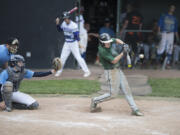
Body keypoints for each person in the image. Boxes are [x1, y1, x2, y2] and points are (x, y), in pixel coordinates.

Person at [90, 33, 143, 116]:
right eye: (106, 42)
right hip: (111, 72)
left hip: (118, 70)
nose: (108, 43)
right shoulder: (102, 51)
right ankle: (95, 100)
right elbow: (114, 61)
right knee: (113, 94)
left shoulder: (108, 42)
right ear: (102, 43)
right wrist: (123, 53)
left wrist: (124, 44)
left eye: (109, 42)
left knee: (127, 89)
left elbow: (116, 40)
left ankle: (134, 109)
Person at [55, 11, 91, 77]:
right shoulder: (63, 23)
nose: (65, 20)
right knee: (62, 58)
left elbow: (76, 36)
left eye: (66, 18)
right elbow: (60, 30)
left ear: (69, 18)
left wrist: (79, 43)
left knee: (78, 57)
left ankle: (87, 71)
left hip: (73, 43)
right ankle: (59, 71)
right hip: (67, 43)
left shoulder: (74, 25)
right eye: (64, 18)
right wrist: (57, 24)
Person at [157, 4, 179, 68]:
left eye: (173, 8)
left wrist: (177, 37)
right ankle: (157, 61)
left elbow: (175, 29)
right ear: (169, 8)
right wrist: (158, 32)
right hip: (164, 32)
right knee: (161, 46)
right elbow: (159, 25)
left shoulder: (175, 18)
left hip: (171, 33)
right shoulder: (163, 16)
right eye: (171, 7)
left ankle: (167, 63)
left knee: (170, 48)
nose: (172, 9)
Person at [0, 37, 19, 110]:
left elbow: (5, 61)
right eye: (13, 45)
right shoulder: (2, 52)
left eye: (16, 46)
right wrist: (0, 101)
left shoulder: (8, 52)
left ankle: (7, 97)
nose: (15, 47)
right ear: (7, 45)